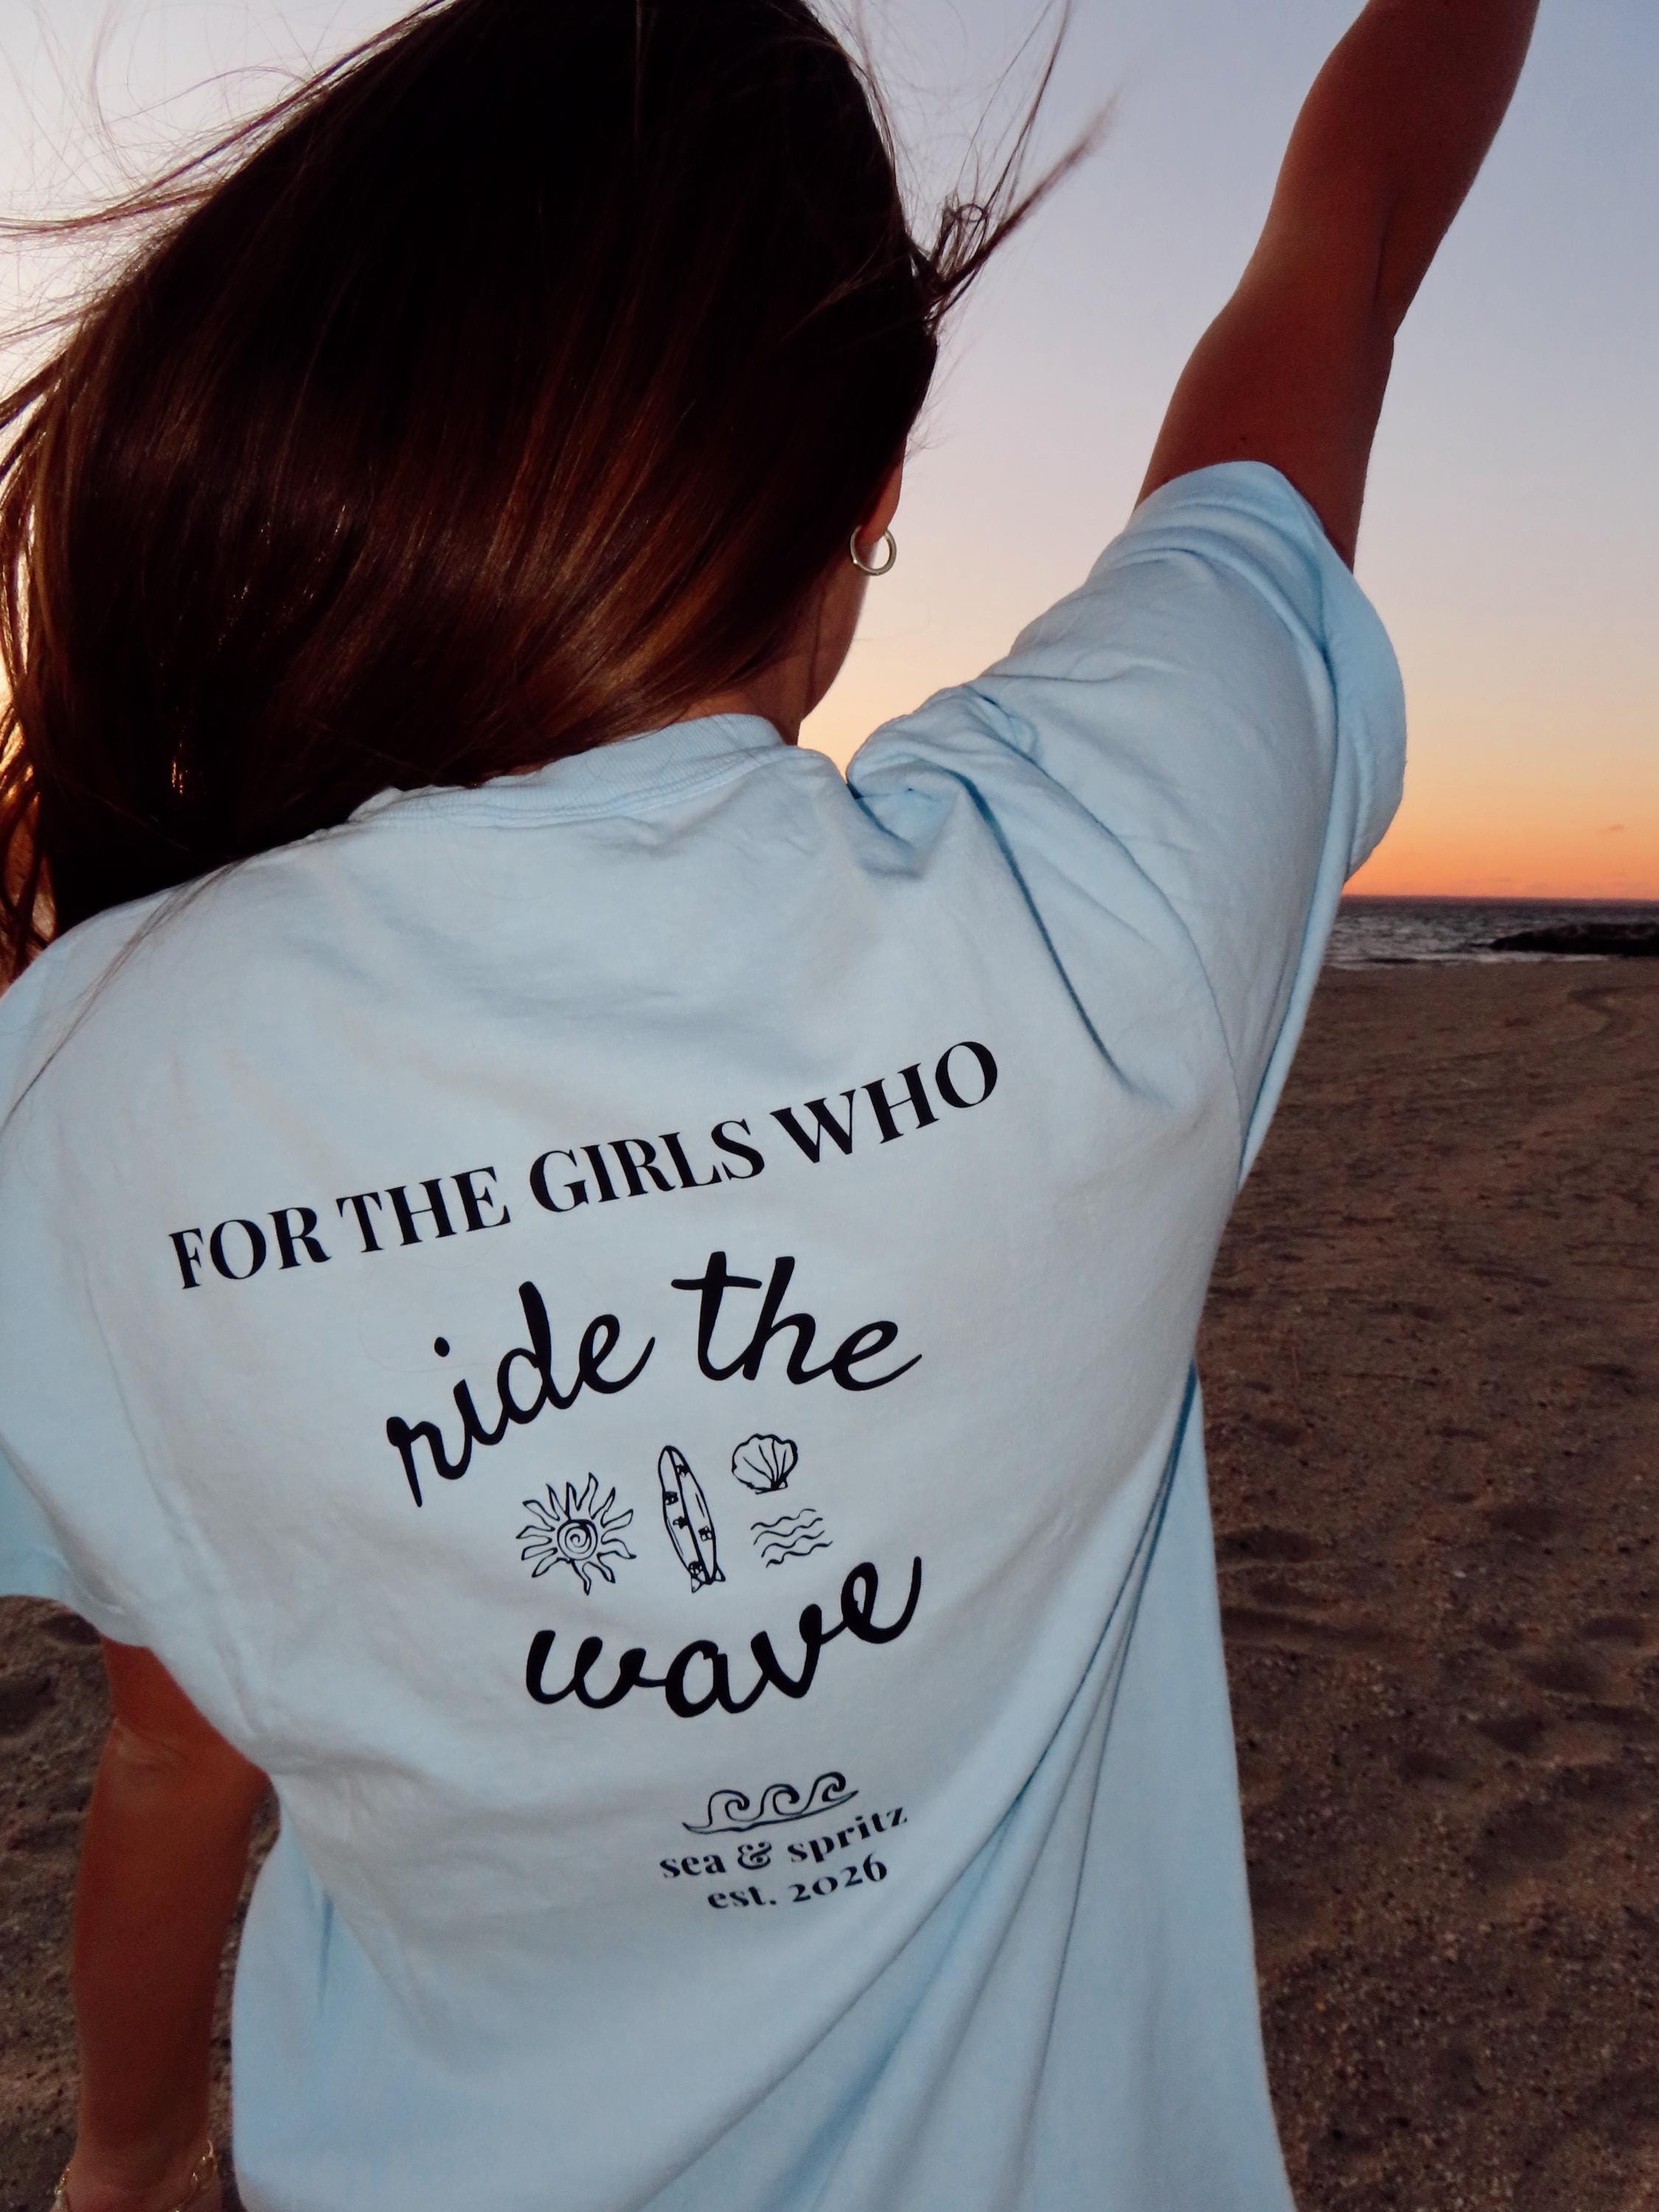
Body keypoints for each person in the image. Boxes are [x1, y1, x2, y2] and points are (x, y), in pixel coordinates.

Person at [0, 1, 1540, 2206]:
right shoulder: (1099, 879)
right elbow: (1348, 240)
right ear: (865, 493)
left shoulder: (79, 1101)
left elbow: (176, 1750)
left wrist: (137, 2154)